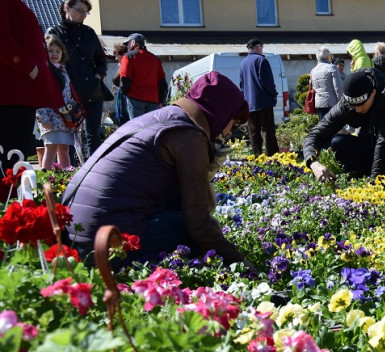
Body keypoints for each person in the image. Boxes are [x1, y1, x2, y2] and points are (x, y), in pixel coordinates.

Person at [62, 71, 252, 267]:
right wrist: (239, 262)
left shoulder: (162, 118)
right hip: (105, 244)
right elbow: (198, 222)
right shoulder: (189, 136)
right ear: (221, 112)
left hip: (74, 236)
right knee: (203, 231)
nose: (229, 131)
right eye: (233, 121)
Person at [302, 68, 385, 181]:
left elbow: (384, 142)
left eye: (361, 105)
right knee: (338, 143)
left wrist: (374, 186)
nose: (358, 110)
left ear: (373, 93)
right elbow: (315, 135)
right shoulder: (346, 104)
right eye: (353, 106)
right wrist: (313, 163)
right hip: (377, 149)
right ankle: (363, 177)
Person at [0, 0, 63, 170]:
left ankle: (11, 193)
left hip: (17, 93)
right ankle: (10, 194)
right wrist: (28, 67)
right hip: (12, 93)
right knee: (11, 156)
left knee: (14, 154)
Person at [47, 0, 108, 157]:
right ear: (67, 7)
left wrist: (97, 75)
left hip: (93, 91)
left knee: (93, 134)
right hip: (68, 93)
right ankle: (71, 174)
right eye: (80, 11)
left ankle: (93, 171)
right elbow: (47, 63)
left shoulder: (89, 32)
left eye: (86, 12)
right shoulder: (54, 32)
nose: (84, 15)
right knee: (69, 136)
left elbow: (101, 59)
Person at [36, 35, 79, 171]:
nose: (54, 54)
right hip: (50, 117)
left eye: (58, 51)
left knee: (64, 149)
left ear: (62, 54)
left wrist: (74, 115)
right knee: (51, 148)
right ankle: (46, 178)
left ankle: (66, 174)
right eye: (50, 50)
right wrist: (43, 119)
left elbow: (68, 95)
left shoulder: (63, 71)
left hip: (64, 119)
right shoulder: (44, 71)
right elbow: (40, 97)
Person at [239, 38, 279, 157]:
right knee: (268, 131)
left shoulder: (243, 63)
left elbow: (241, 85)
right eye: (262, 47)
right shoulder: (261, 60)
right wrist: (273, 94)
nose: (262, 50)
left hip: (249, 103)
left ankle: (258, 157)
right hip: (264, 101)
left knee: (254, 132)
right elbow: (267, 82)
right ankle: (272, 157)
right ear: (258, 47)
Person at [119, 33, 168, 120]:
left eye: (128, 44)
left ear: (133, 42)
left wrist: (124, 93)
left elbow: (125, 79)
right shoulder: (155, 59)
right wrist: (161, 101)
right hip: (153, 100)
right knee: (151, 129)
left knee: (137, 129)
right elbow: (163, 83)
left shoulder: (128, 57)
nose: (127, 47)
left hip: (135, 98)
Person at [310, 46, 344, 120]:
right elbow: (338, 87)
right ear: (328, 56)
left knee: (323, 128)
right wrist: (342, 103)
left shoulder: (313, 70)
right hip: (331, 103)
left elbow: (314, 88)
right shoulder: (332, 68)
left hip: (319, 104)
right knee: (334, 128)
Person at [111, 43, 130, 126]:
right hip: (123, 92)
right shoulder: (122, 65)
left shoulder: (126, 64)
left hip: (126, 94)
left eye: (117, 55)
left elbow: (116, 79)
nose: (116, 58)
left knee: (125, 118)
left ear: (123, 54)